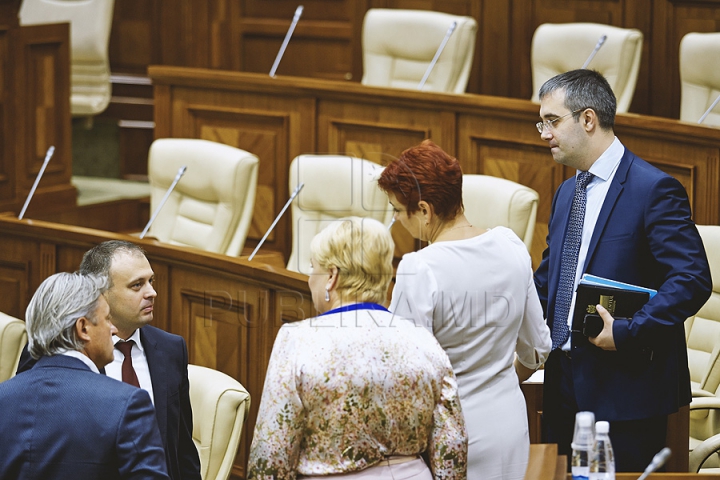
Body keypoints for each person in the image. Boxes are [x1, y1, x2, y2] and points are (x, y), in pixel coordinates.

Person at [533, 69, 712, 471]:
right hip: (562, 383)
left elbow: (692, 279)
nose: (543, 133)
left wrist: (630, 332)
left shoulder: (653, 189)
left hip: (625, 390)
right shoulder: (567, 192)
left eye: (552, 121)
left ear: (588, 119)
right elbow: (550, 279)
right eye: (540, 122)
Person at [377, 140, 552, 480]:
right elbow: (537, 350)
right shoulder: (511, 245)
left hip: (449, 439)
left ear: (425, 210)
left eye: (398, 210)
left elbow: (403, 377)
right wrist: (496, 377)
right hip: (509, 427)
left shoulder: (419, 268)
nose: (397, 220)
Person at [247, 216, 467, 480]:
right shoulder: (424, 342)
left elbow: (271, 456)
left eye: (312, 268)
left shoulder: (297, 340)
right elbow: (452, 450)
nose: (309, 279)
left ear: (331, 276)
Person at [17, 240, 201, 480]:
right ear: (100, 294)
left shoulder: (171, 349)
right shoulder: (53, 350)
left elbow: (182, 449)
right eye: (137, 285)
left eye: (151, 281)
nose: (152, 292)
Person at [0, 272, 169, 479]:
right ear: (83, 328)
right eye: (107, 319)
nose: (113, 329)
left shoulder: (3, 397)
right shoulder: (127, 404)